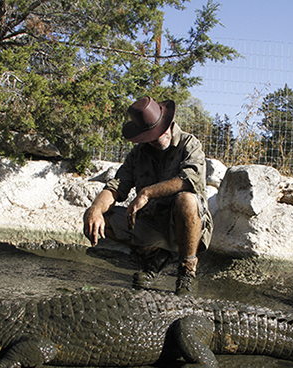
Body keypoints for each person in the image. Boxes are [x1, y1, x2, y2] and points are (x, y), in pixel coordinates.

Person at [83, 96, 213, 296]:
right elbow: (116, 187)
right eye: (150, 135)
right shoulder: (137, 155)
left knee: (186, 200)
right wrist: (95, 209)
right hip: (151, 223)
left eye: (160, 131)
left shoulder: (189, 144)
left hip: (185, 226)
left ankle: (187, 271)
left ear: (168, 122)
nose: (158, 138)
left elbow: (190, 180)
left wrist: (147, 192)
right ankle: (154, 257)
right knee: (98, 218)